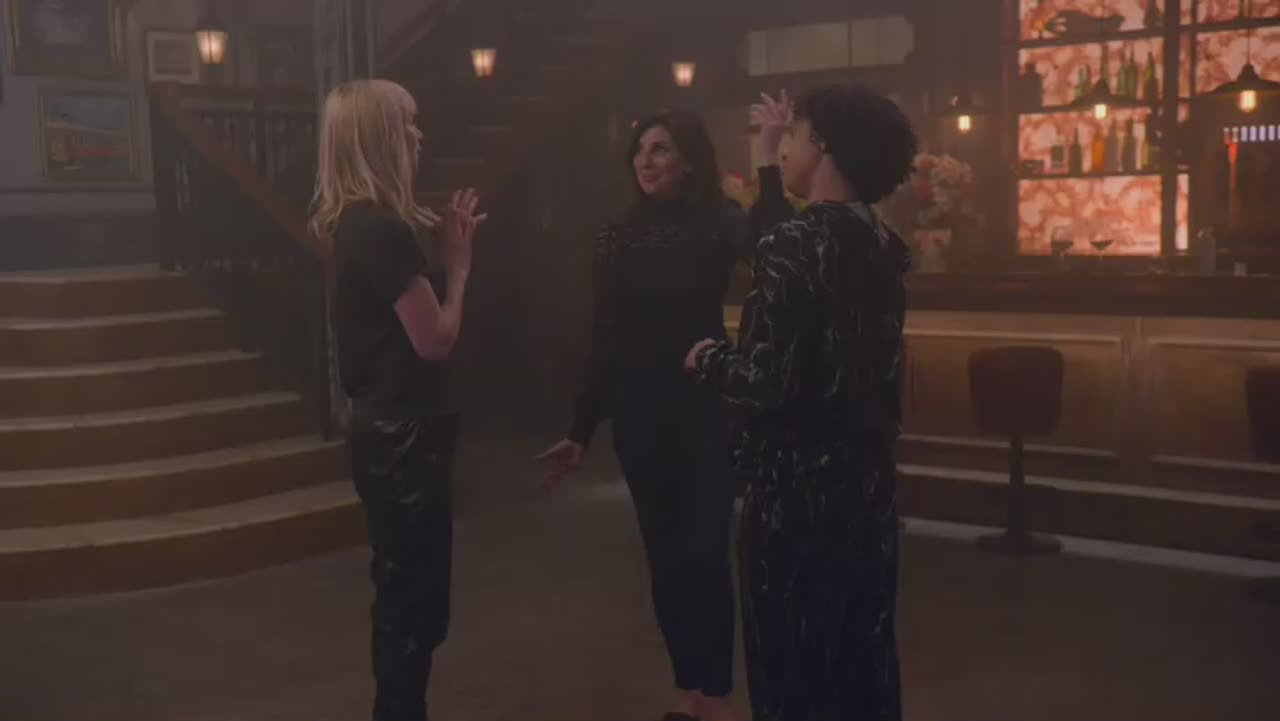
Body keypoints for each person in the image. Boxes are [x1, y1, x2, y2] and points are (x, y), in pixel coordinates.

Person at [686, 84, 917, 721]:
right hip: (866, 484)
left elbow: (769, 381)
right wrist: (767, 160)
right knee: (861, 655)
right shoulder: (881, 242)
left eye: (794, 133)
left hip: (795, 490)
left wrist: (710, 360)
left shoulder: (797, 242)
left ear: (823, 143)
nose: (786, 145)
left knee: (792, 661)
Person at [537, 109, 751, 721]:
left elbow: (778, 253)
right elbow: (606, 336)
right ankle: (689, 691)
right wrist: (581, 430)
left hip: (703, 406)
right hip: (640, 410)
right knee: (667, 557)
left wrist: (766, 159)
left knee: (706, 552)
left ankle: (717, 694)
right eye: (640, 150)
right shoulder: (619, 234)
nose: (646, 161)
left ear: (689, 160)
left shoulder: (721, 222)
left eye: (660, 150)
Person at [310, 78, 486, 721]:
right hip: (404, 435)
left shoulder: (361, 225)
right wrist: (459, 268)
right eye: (407, 124)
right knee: (415, 605)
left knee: (404, 595)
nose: (418, 135)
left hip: (386, 431)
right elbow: (434, 339)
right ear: (380, 138)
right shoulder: (380, 231)